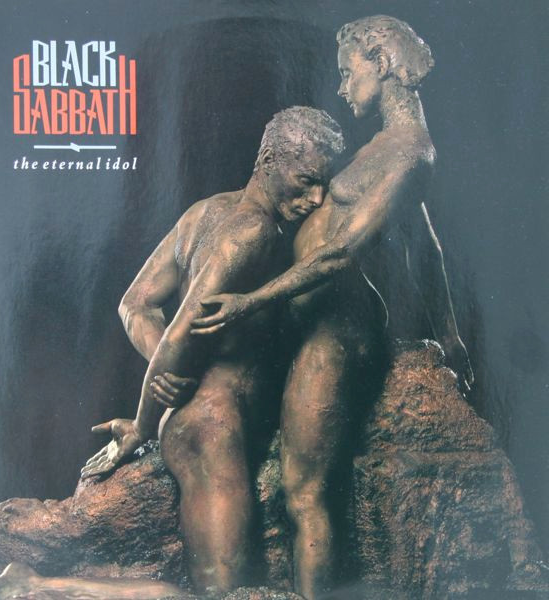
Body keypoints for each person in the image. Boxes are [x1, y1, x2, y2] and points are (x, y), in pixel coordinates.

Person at [0, 107, 344, 600]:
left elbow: (135, 304)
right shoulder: (250, 232)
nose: (316, 198)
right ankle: (35, 587)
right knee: (221, 597)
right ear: (270, 160)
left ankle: (36, 585)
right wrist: (144, 422)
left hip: (206, 417)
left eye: (323, 184)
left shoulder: (205, 212)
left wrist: (166, 373)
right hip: (210, 429)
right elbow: (179, 337)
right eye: (306, 181)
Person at [191, 16, 473, 600]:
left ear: (383, 63)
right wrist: (450, 334)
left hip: (336, 330)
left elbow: (342, 253)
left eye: (349, 72)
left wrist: (248, 302)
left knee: (305, 492)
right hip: (315, 325)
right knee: (289, 483)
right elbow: (428, 247)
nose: (342, 88)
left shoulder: (410, 152)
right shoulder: (390, 145)